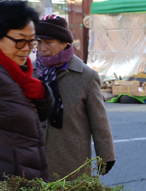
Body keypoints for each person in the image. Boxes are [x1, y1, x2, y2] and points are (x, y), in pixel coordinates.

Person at [35, 15, 116, 181]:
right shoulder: (30, 72)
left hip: (71, 159)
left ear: (64, 42)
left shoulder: (86, 76)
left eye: (48, 42)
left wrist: (106, 156)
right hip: (34, 159)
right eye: (38, 42)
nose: (42, 48)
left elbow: (99, 119)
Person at [0, 1, 54, 181]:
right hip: (9, 189)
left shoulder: (19, 76)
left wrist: (41, 95)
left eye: (31, 41)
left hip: (22, 184)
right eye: (19, 40)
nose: (27, 48)